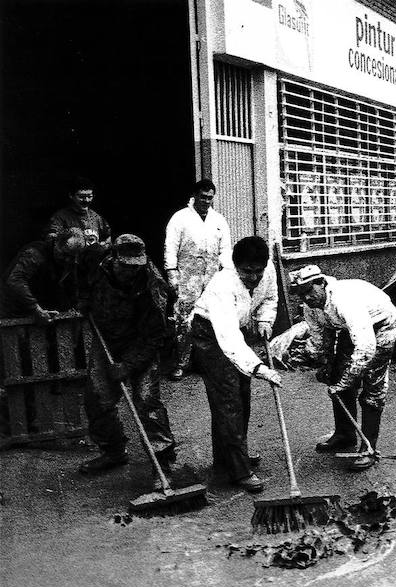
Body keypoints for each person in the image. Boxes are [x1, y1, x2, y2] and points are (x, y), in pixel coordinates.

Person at [77, 234, 177, 475]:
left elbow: (155, 336)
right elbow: (78, 272)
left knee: (146, 401)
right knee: (97, 397)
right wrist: (82, 298)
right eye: (125, 266)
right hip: (107, 340)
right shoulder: (95, 259)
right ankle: (113, 451)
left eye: (136, 267)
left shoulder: (154, 286)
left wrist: (128, 365)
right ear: (113, 259)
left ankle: (161, 461)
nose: (131, 272)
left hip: (140, 344)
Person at [190, 236, 280, 493]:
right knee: (228, 399)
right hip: (209, 333)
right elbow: (228, 338)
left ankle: (230, 457)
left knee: (242, 394)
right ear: (235, 265)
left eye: (257, 271)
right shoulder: (223, 285)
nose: (253, 278)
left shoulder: (268, 270)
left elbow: (270, 298)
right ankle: (238, 470)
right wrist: (260, 368)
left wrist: (264, 320)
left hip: (236, 333)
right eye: (246, 272)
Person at [292, 264, 396, 471]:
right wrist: (323, 362)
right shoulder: (310, 308)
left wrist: (346, 380)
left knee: (372, 388)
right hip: (347, 329)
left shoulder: (344, 301)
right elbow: (319, 337)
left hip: (381, 327)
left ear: (321, 283)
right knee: (336, 378)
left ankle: (368, 448)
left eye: (308, 291)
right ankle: (344, 433)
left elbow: (366, 348)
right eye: (300, 294)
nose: (306, 298)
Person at [164, 178, 232, 380]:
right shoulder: (180, 218)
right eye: (203, 197)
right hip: (187, 278)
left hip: (211, 278)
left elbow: (225, 250)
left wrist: (226, 272)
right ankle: (181, 362)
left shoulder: (219, 220)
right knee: (183, 320)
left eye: (210, 198)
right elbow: (170, 247)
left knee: (210, 319)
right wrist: (171, 272)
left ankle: (206, 361)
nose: (206, 201)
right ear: (194, 196)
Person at [0, 227, 86, 321]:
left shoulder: (69, 263)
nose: (67, 260)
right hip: (12, 312)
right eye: (64, 254)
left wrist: (73, 307)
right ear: (56, 243)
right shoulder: (35, 254)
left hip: (42, 314)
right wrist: (36, 309)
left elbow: (71, 287)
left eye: (72, 257)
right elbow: (15, 280)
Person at [45, 176, 111, 248]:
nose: (86, 200)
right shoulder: (60, 217)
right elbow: (50, 239)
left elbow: (108, 237)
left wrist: (104, 245)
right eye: (81, 197)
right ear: (71, 195)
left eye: (89, 196)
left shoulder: (97, 218)